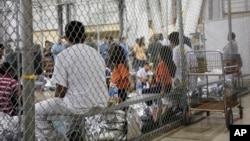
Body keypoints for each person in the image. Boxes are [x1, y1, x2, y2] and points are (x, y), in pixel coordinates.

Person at [35, 21, 109, 139]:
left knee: (36, 111)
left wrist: (57, 104)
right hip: (100, 103)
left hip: (77, 107)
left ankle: (59, 139)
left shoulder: (63, 55)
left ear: (66, 38)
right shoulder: (97, 54)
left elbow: (60, 91)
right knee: (71, 103)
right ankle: (74, 132)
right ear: (85, 37)